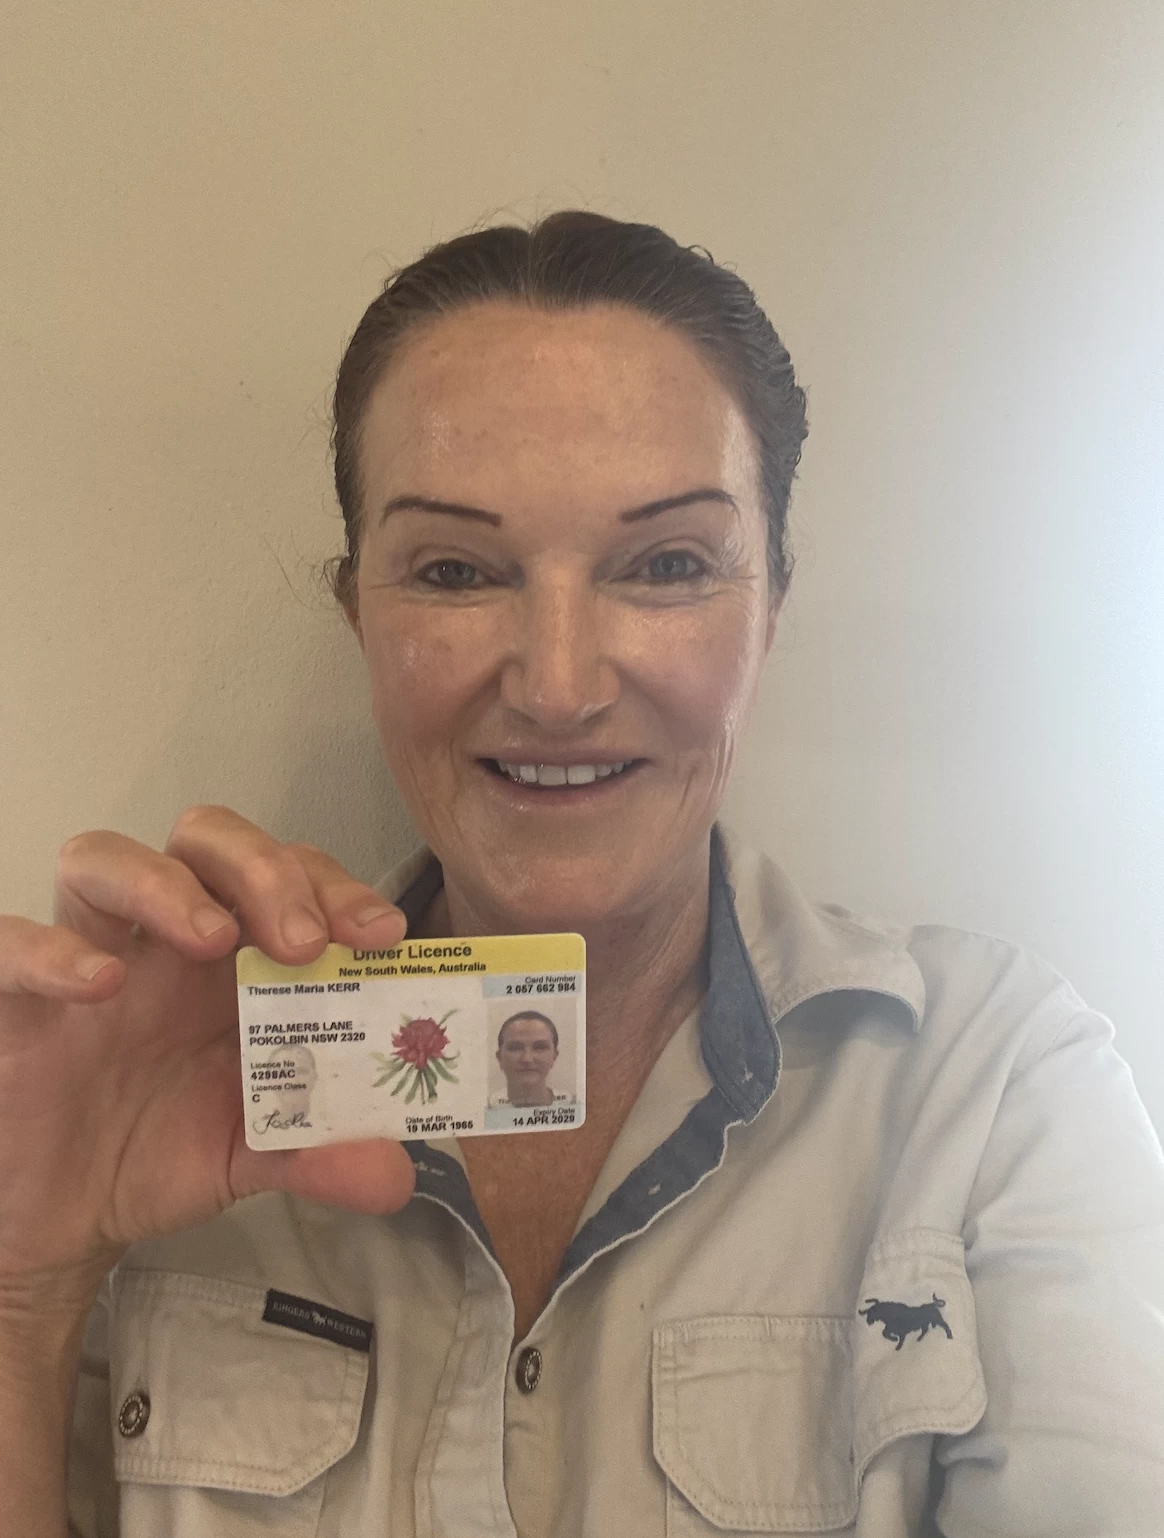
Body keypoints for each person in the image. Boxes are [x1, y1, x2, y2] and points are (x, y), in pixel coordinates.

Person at [1, 212, 1162, 1538]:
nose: (557, 686)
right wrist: (20, 1284)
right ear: (359, 612)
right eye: (455, 570)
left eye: (666, 565)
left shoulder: (995, 1088)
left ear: (772, 603)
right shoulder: (162, 1099)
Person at [491, 1011, 568, 1108]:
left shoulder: (574, 1104)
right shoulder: (484, 1107)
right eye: (515, 1048)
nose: (527, 1059)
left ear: (554, 1056)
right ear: (499, 1057)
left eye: (539, 1047)